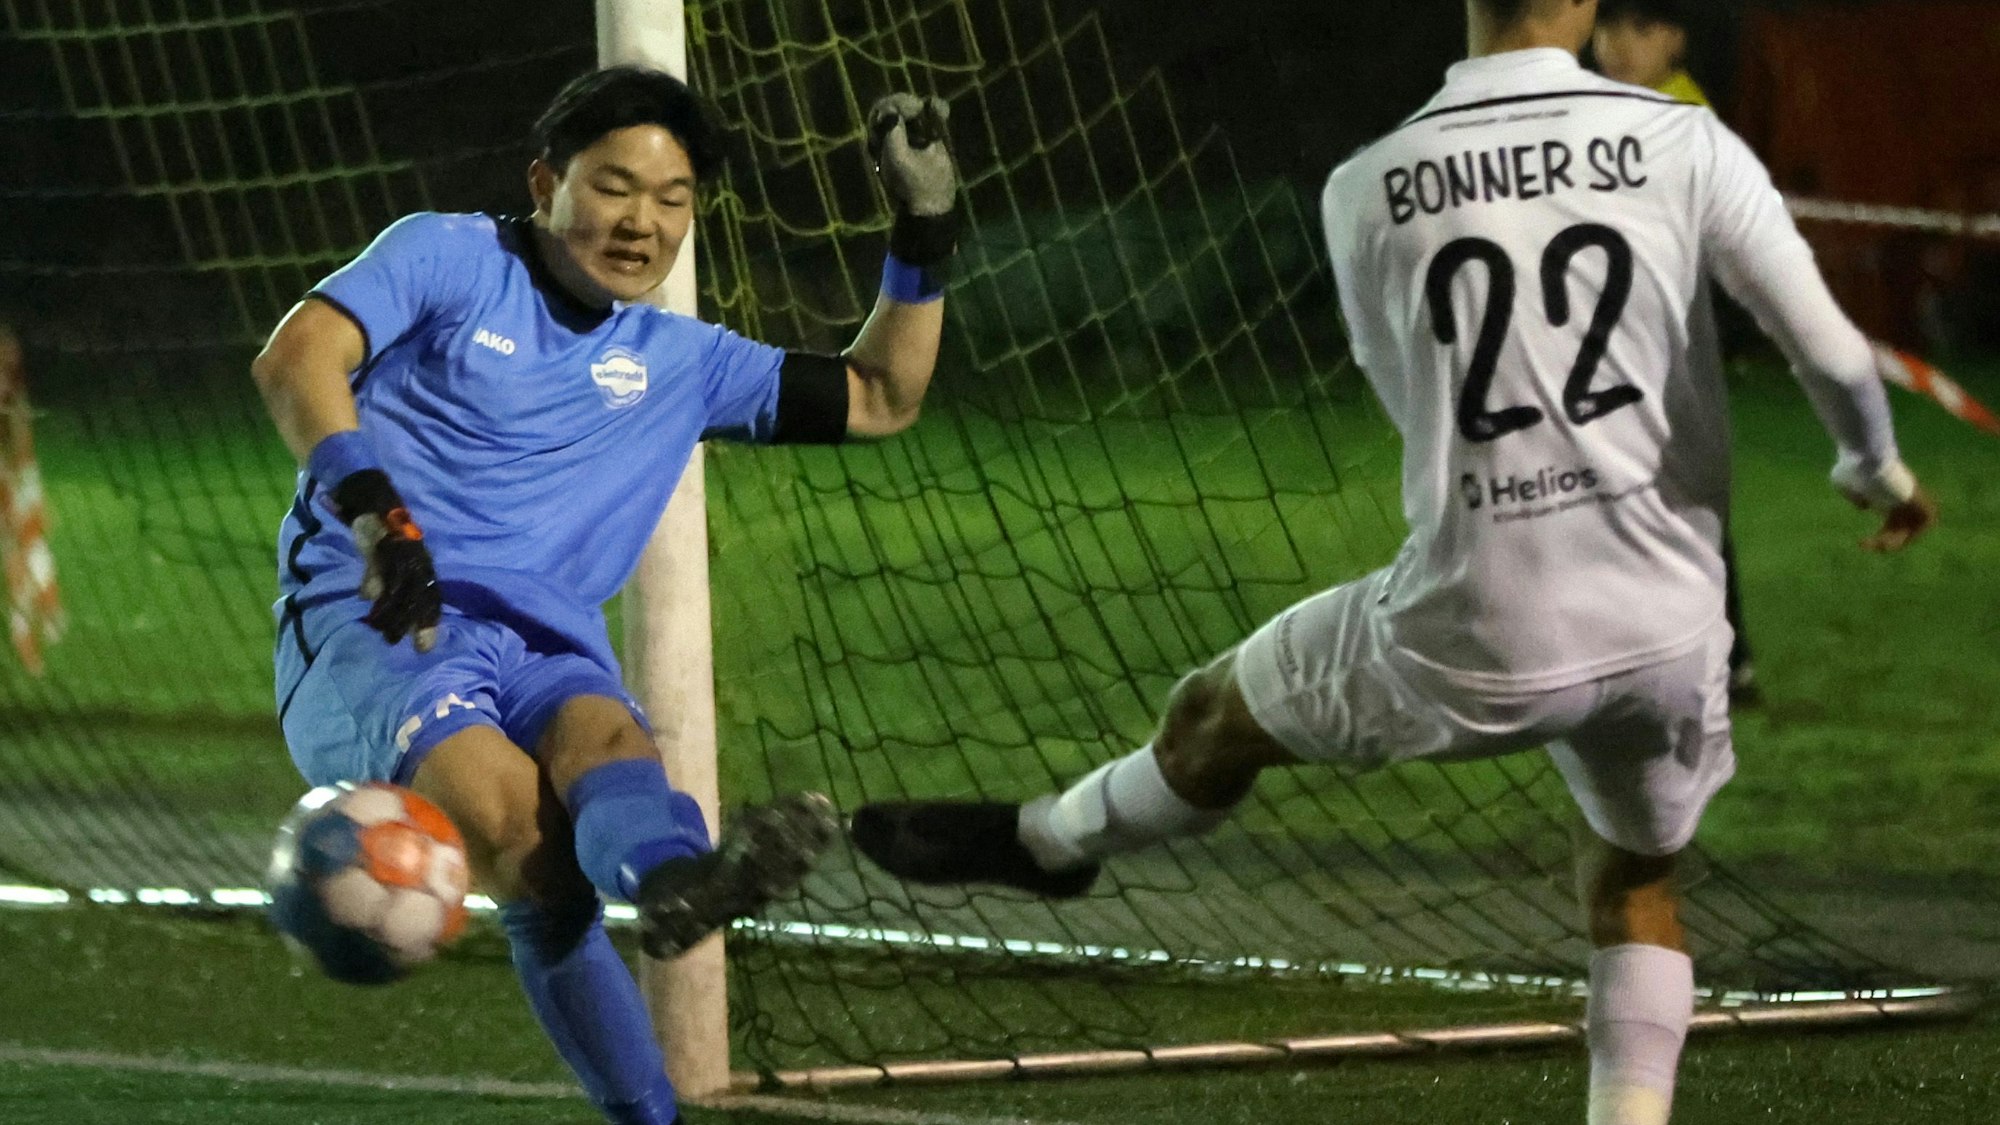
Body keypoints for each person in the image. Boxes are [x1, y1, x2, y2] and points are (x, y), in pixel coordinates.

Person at [849, 3, 1936, 1124]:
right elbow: (1831, 351)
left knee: (1209, 719)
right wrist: (1874, 470)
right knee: (1633, 883)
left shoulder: (1365, 183)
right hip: (1670, 628)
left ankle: (1052, 839)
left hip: (1479, 622)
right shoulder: (1683, 140)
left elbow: (1411, 406)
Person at [252, 67, 959, 1125]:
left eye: (672, 201)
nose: (643, 223)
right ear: (547, 181)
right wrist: (376, 512)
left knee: (608, 747)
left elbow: (882, 396)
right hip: (381, 619)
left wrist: (925, 227)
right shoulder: (449, 258)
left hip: (545, 644)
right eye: (616, 187)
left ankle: (678, 886)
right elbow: (298, 355)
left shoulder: (684, 361)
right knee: (532, 857)